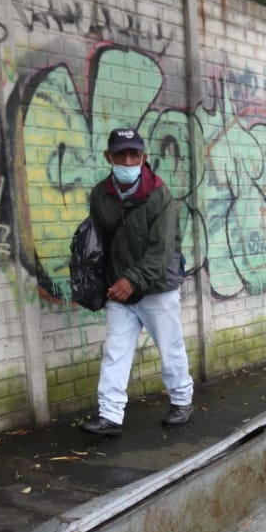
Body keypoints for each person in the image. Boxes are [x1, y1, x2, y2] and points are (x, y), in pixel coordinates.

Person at [80, 127, 194, 436]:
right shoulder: (100, 195)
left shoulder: (159, 194)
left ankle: (182, 401)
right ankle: (109, 415)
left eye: (134, 155)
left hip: (157, 287)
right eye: (121, 155)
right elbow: (98, 242)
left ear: (144, 158)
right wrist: (100, 281)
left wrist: (131, 280)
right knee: (115, 352)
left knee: (170, 348)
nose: (128, 161)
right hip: (119, 289)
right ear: (109, 157)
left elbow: (162, 250)